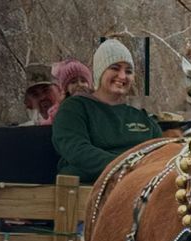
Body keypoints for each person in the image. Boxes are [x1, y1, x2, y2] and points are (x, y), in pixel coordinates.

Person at [52, 39, 160, 184]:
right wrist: (127, 167)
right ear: (100, 72)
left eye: (128, 71)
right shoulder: (75, 108)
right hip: (92, 190)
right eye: (115, 68)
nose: (122, 76)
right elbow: (75, 149)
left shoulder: (140, 116)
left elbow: (162, 149)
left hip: (143, 186)